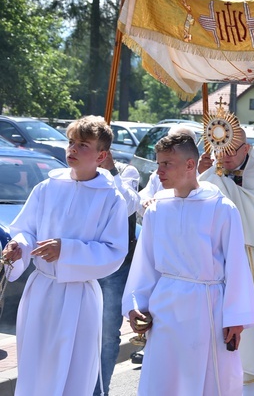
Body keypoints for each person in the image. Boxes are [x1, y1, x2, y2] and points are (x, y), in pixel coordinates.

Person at [124, 132, 254, 394]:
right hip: (165, 307)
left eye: (167, 164)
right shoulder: (156, 209)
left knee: (205, 380)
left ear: (190, 165)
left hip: (206, 307)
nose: (159, 171)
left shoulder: (221, 208)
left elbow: (236, 264)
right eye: (158, 163)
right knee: (164, 380)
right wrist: (135, 305)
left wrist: (236, 318)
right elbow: (145, 263)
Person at [2, 116, 128, 395]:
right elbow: (25, 229)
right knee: (35, 368)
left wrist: (66, 250)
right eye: (71, 142)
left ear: (101, 155)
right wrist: (18, 246)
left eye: (83, 145)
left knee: (73, 372)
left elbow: (114, 251)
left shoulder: (110, 197)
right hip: (40, 292)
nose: (72, 149)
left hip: (79, 298)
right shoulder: (47, 187)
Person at [199, 126, 254, 395]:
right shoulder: (206, 178)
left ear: (246, 150)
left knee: (248, 351)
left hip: (252, 273)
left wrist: (222, 185)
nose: (223, 155)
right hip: (213, 274)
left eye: (230, 149)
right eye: (219, 149)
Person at [96, 151, 141, 395]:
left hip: (115, 268)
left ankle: (100, 390)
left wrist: (111, 171)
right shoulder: (80, 174)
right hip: (85, 265)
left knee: (106, 334)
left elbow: (127, 204)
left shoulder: (126, 172)